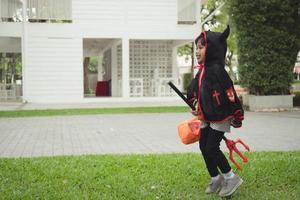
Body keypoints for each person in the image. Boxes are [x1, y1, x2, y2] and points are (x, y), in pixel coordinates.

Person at [187, 26, 244, 197]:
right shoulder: (202, 71)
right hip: (206, 115)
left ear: (212, 48)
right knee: (203, 146)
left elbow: (230, 93)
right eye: (196, 47)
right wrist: (195, 102)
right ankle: (215, 178)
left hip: (220, 115)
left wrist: (237, 114)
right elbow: (195, 90)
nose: (197, 51)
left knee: (212, 147)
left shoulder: (218, 71)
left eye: (201, 47)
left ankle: (230, 177)